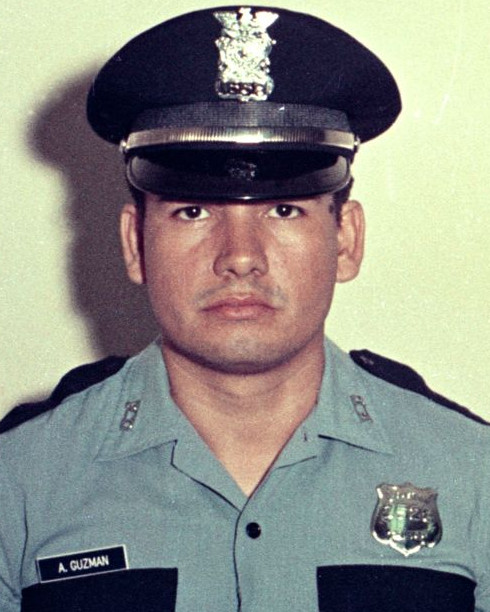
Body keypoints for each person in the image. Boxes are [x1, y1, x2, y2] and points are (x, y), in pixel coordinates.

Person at [1, 6, 489, 612]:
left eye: (284, 210)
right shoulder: (21, 481)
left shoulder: (471, 473)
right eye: (193, 211)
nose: (240, 257)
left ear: (345, 240)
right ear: (135, 244)